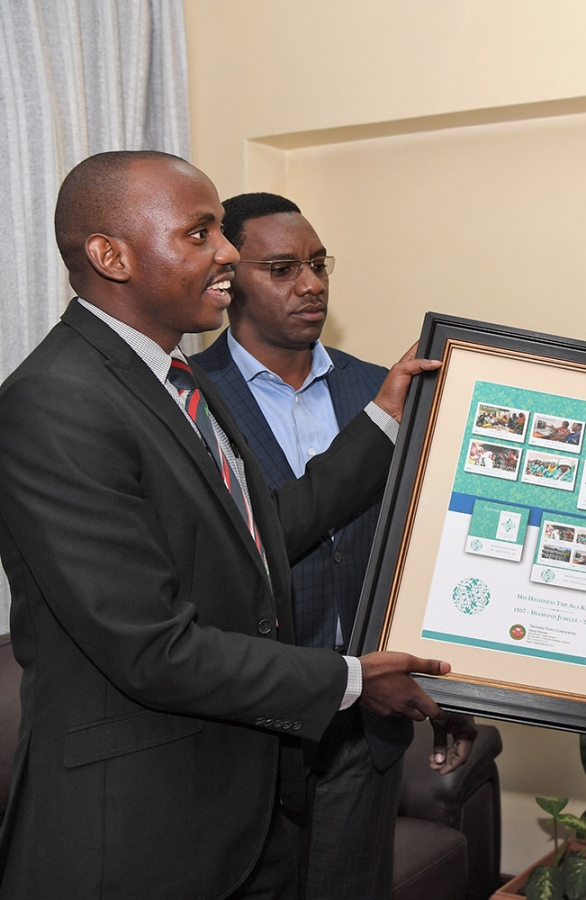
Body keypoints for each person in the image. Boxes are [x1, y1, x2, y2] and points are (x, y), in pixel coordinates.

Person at [0, 151, 471, 900]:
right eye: (200, 234)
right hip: (139, 828)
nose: (225, 253)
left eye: (222, 231)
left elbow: (263, 540)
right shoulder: (56, 402)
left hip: (238, 803)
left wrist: (382, 417)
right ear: (110, 256)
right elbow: (151, 648)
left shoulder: (176, 382)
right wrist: (351, 678)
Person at [191, 193, 435, 900]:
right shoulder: (189, 400)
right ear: (231, 275)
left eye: (319, 264)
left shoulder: (379, 387)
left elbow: (424, 536)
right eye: (283, 267)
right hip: (250, 735)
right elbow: (233, 556)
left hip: (367, 731)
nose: (312, 284)